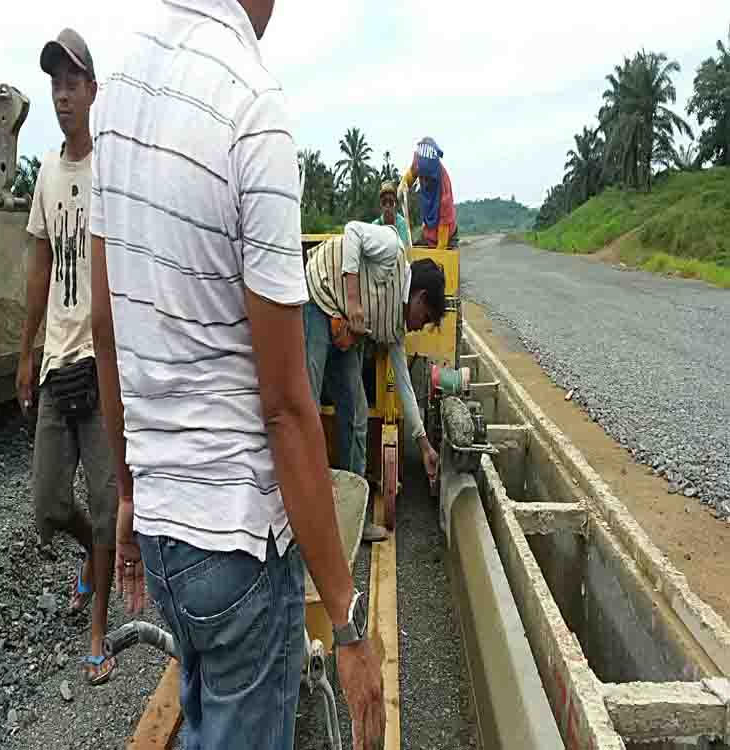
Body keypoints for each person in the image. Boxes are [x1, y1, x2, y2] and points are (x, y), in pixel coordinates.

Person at [88, 2, 384, 749]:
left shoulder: (117, 92)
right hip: (237, 541)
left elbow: (107, 328)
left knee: (205, 717)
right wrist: (347, 624)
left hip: (163, 532)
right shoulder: (251, 104)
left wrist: (129, 490)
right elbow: (287, 406)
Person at [15, 28, 117, 686]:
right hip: (57, 364)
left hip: (104, 369)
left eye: (71, 84)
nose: (61, 96)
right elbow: (41, 263)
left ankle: (100, 629)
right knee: (49, 505)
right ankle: (91, 558)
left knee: (109, 506)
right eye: (54, 86)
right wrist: (25, 352)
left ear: (92, 91)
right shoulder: (49, 174)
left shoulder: (111, 168)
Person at [304, 221, 442, 542]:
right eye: (424, 319)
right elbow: (352, 231)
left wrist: (423, 446)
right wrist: (352, 301)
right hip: (318, 297)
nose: (419, 327)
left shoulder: (394, 330)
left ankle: (352, 521)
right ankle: (302, 518)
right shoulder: (392, 251)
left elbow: (404, 385)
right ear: (420, 298)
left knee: (356, 414)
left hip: (347, 329)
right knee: (306, 405)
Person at [397, 137, 458, 248]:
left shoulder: (444, 194)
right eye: (422, 177)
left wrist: (436, 259)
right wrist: (402, 186)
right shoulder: (418, 163)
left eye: (428, 178)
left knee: (446, 264)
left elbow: (441, 247)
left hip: (446, 235)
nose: (424, 181)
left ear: (433, 175)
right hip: (428, 230)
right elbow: (411, 174)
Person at [372, 180, 410, 249]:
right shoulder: (375, 225)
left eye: (391, 202)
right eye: (384, 202)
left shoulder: (401, 224)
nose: (387, 206)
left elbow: (403, 248)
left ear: (395, 204)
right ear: (380, 205)